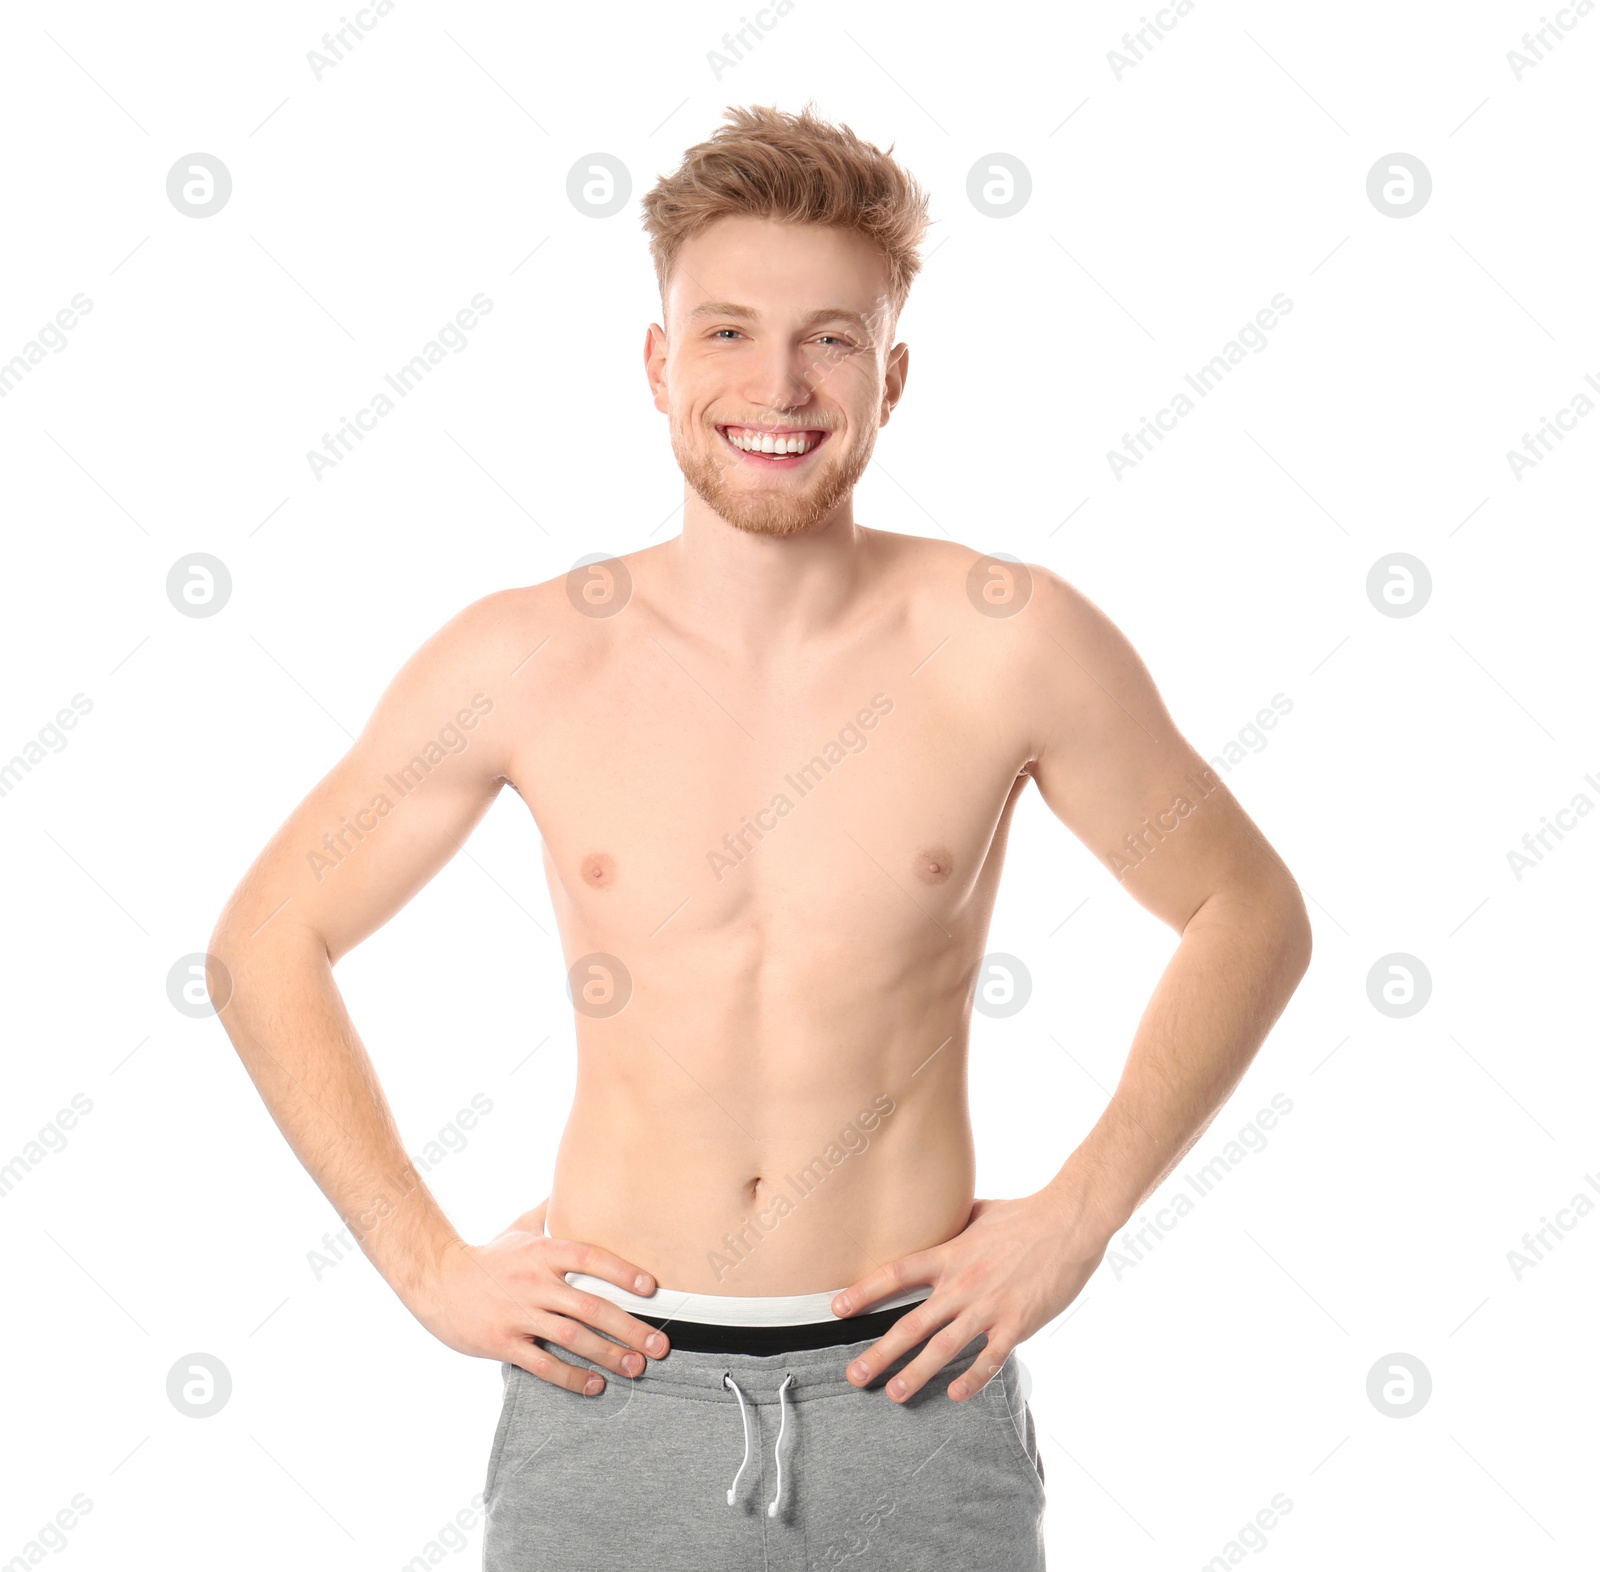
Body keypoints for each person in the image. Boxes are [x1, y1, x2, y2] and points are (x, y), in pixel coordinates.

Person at [209, 102, 1312, 1571]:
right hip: (607, 1393)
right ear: (659, 364)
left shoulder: (1008, 642)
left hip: (915, 1390)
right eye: (725, 332)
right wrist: (423, 1264)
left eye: (831, 338)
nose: (776, 384)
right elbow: (264, 941)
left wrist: (1077, 1219)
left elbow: (1249, 911)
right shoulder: (525, 657)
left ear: (891, 376)